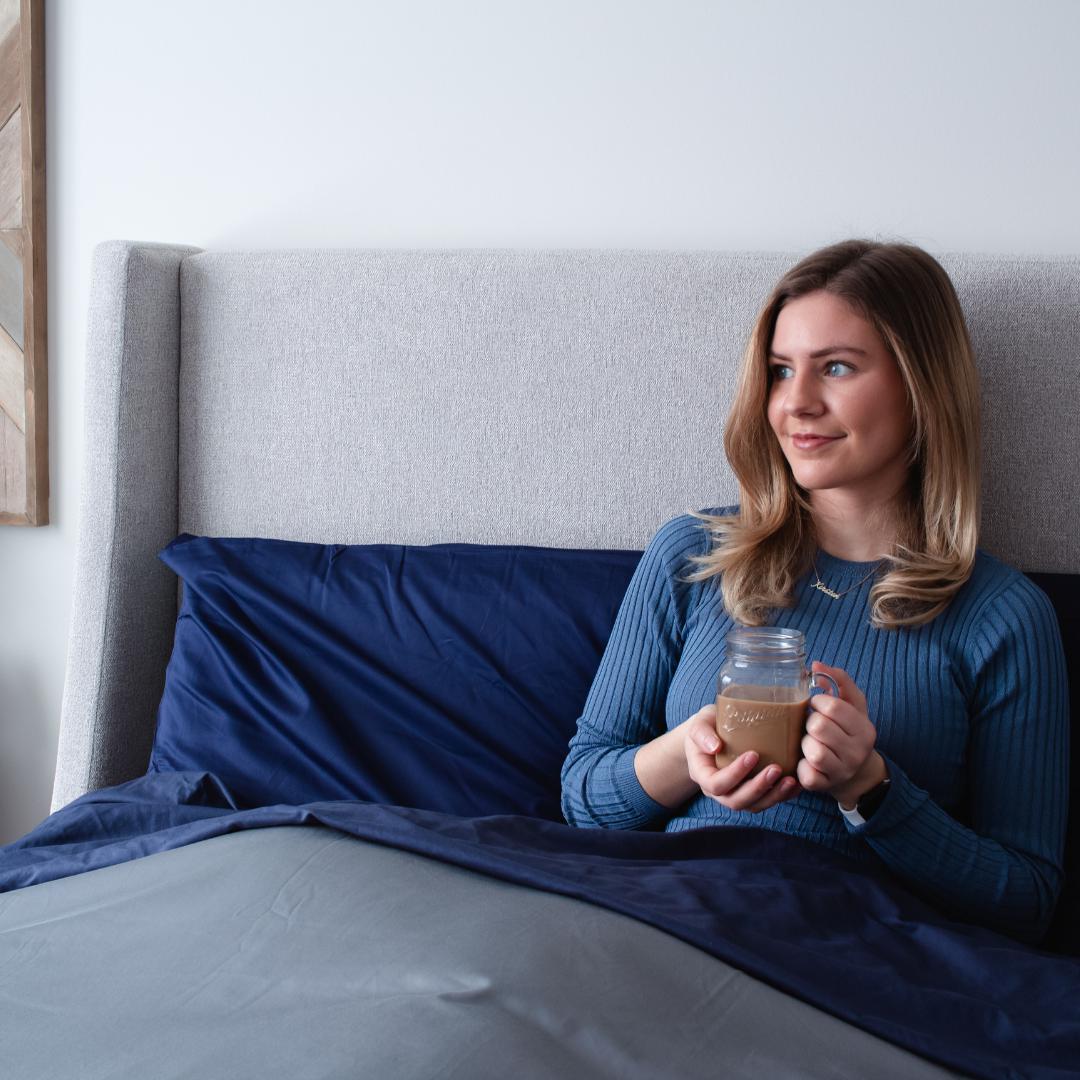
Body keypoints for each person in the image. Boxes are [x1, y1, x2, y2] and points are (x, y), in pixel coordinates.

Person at [560, 239, 1069, 944]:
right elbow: (582, 800)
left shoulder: (1002, 616)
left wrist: (869, 787)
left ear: (921, 387)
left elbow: (1027, 901)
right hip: (671, 919)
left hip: (851, 950)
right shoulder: (692, 554)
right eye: (779, 371)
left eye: (836, 367)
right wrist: (691, 753)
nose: (795, 403)